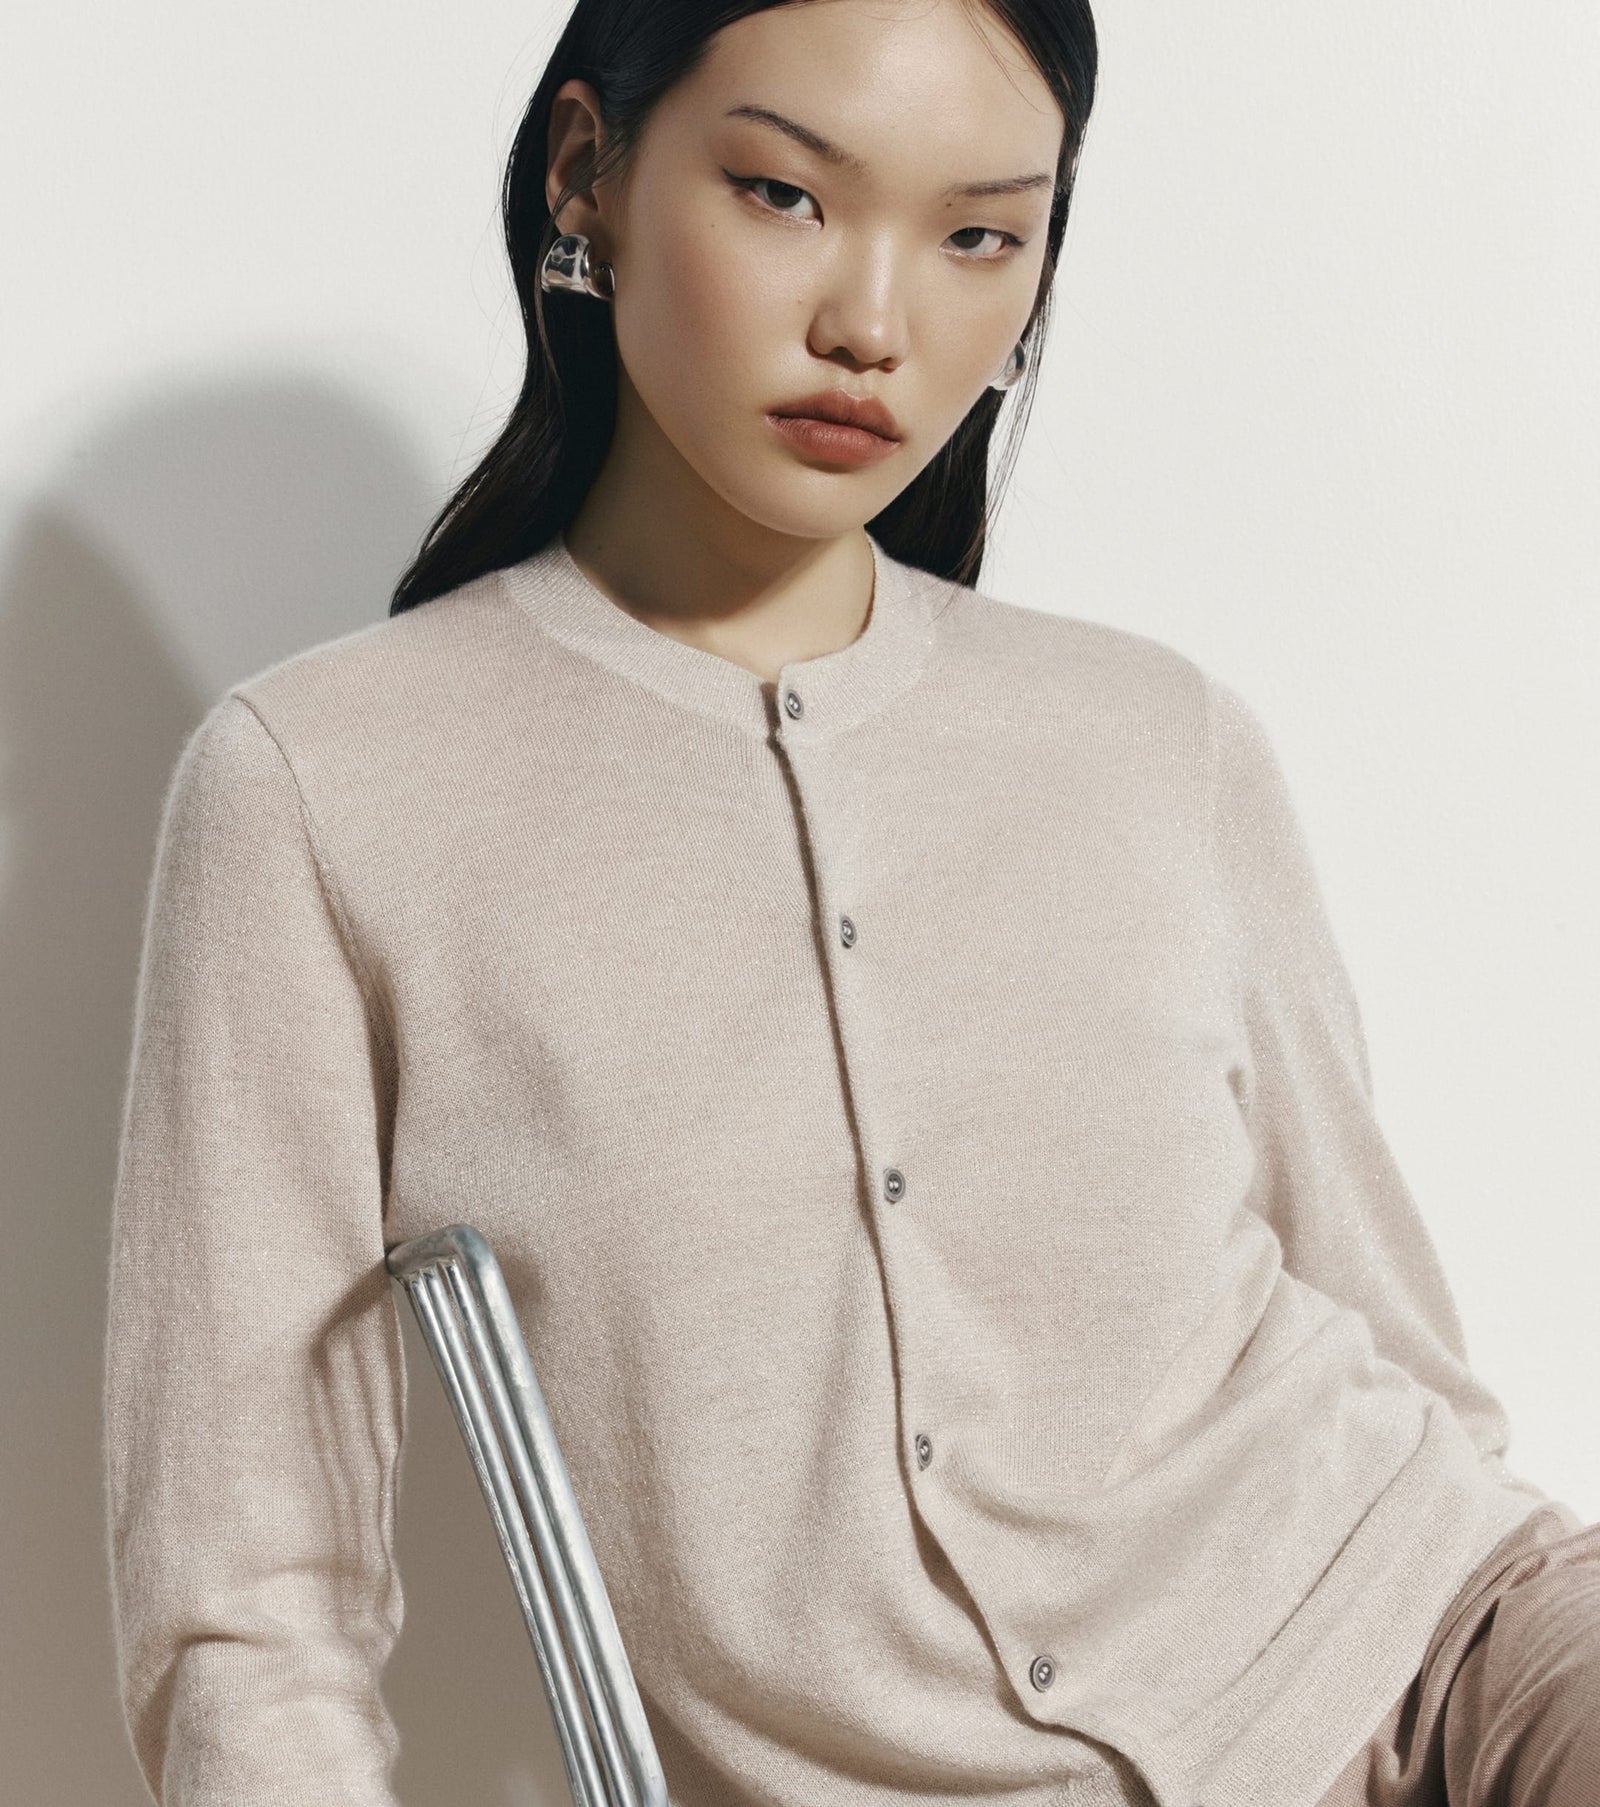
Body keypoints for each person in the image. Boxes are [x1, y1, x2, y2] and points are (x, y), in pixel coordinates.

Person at [102, 3, 1599, 1805]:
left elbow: (1414, 1373)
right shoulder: (324, 789)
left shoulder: (1160, 738)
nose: (874, 326)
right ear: (587, 169)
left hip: (1448, 1653)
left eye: (980, 236)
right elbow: (252, 1615)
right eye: (785, 194)